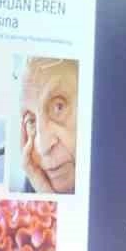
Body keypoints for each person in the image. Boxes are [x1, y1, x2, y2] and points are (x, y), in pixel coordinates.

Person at [19, 57, 78, 195]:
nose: (43, 147)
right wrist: (47, 198)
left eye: (59, 107)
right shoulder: (33, 183)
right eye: (31, 121)